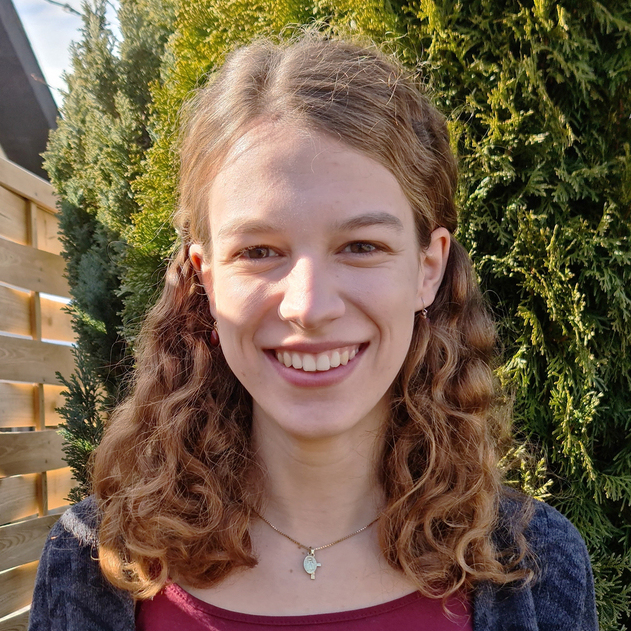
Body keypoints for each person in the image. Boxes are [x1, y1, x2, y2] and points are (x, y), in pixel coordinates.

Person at [29, 35, 597, 631]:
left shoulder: (536, 564)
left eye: (361, 246)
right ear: (207, 279)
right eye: (258, 251)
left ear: (427, 268)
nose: (309, 307)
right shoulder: (93, 562)